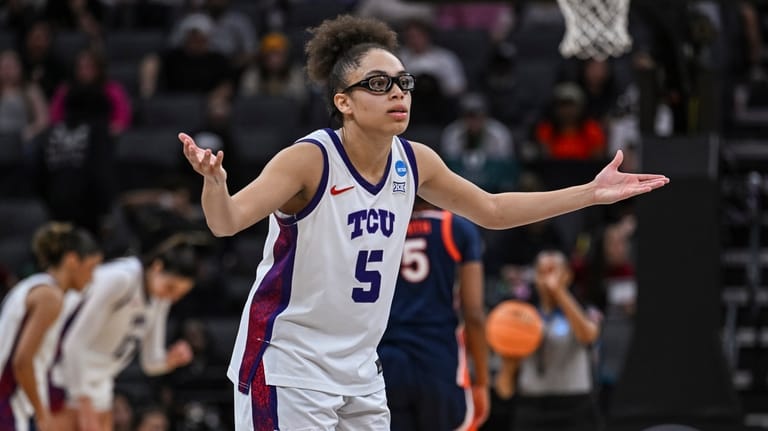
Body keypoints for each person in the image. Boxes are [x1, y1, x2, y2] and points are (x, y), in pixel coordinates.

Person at [178, 14, 668, 430]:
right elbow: (226, 222)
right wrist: (214, 183)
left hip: (359, 370)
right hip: (288, 363)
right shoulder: (309, 159)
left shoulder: (415, 161)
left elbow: (493, 211)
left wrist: (589, 193)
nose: (397, 93)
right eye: (378, 84)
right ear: (343, 102)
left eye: (403, 82)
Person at [49, 233, 201, 431]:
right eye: (170, 287)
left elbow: (150, 363)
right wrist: (83, 401)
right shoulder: (120, 278)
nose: (171, 297)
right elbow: (72, 343)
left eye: (179, 294)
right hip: (64, 371)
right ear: (157, 267)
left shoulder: (161, 297)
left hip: (101, 379)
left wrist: (170, 360)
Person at [378, 197, 489, 430]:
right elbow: (473, 313)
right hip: (437, 358)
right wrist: (482, 382)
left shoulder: (381, 228)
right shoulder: (457, 228)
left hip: (387, 359)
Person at [0, 222, 102, 431]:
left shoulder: (31, 285)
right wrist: (41, 412)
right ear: (72, 260)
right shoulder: (50, 298)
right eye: (91, 268)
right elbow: (22, 361)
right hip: (9, 405)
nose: (92, 278)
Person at [513, 250, 603, 431]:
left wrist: (559, 292)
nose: (548, 279)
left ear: (568, 275)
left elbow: (588, 336)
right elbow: (506, 381)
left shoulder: (585, 310)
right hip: (532, 406)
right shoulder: (522, 316)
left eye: (553, 271)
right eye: (542, 272)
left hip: (575, 406)